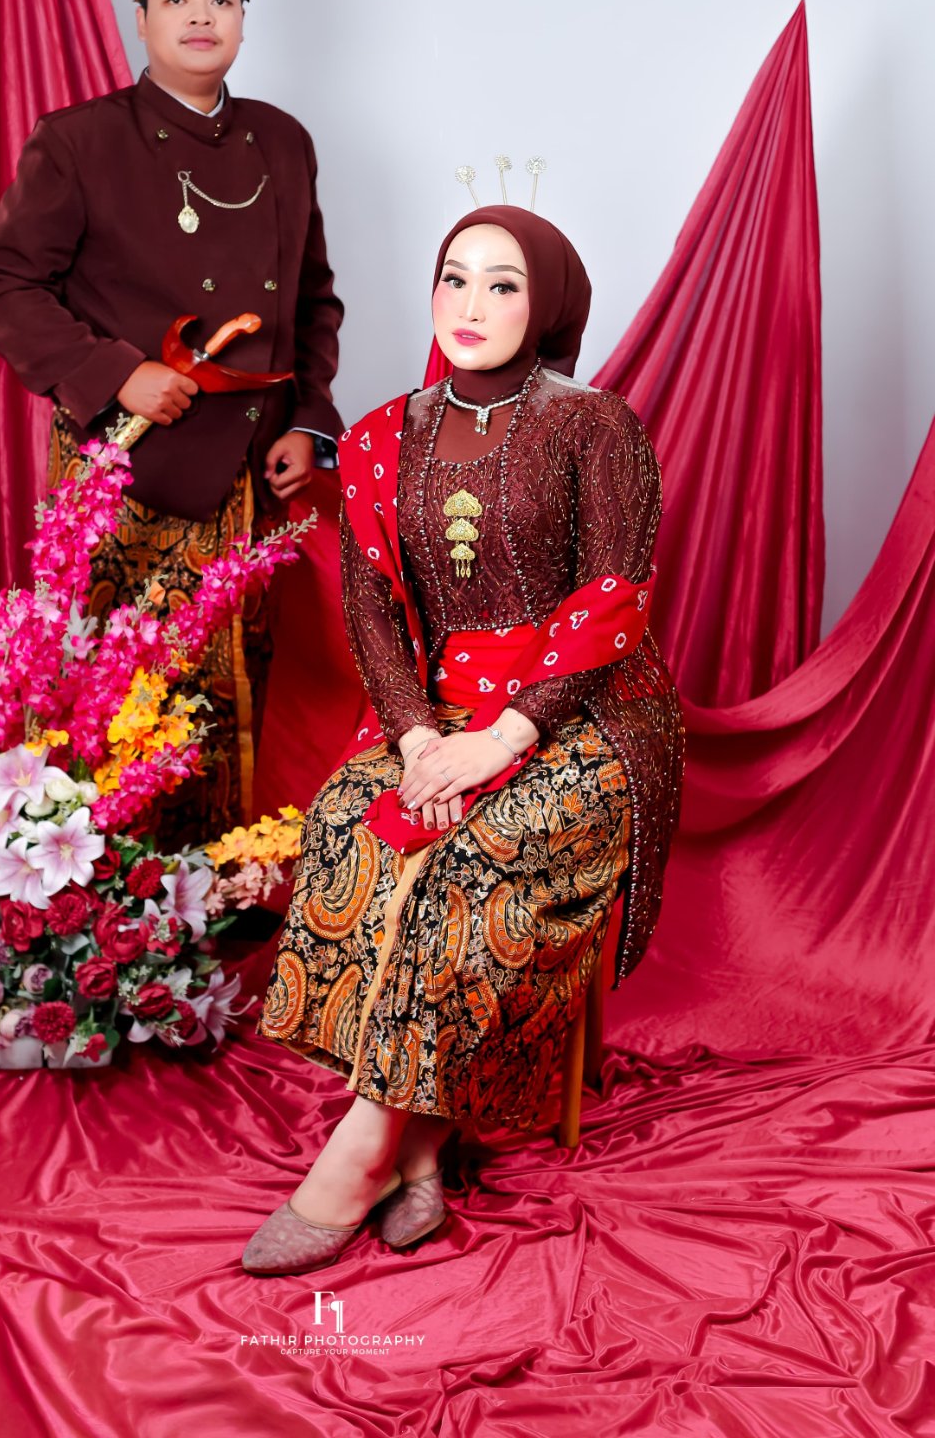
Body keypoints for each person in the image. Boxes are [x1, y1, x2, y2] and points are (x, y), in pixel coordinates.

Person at [244, 205, 684, 1275]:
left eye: (503, 284)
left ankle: (360, 1152)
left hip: (587, 715)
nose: (471, 304)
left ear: (547, 304)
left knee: (474, 855)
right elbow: (370, 608)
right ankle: (421, 1147)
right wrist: (415, 743)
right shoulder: (380, 436)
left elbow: (614, 604)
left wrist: (504, 741)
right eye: (455, 277)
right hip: (432, 715)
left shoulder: (596, 426)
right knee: (348, 823)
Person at [0, 0, 343, 844]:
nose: (201, 16)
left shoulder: (283, 141)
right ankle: (108, 902)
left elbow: (312, 299)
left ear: (244, 19)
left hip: (253, 469)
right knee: (121, 707)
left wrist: (309, 418)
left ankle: (222, 895)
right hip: (128, 469)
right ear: (141, 19)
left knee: (238, 694)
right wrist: (114, 373)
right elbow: (1, 284)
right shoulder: (79, 141)